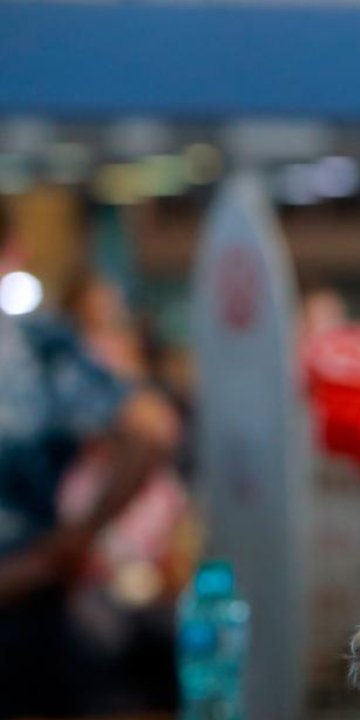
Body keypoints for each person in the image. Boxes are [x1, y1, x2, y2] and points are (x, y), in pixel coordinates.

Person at [0, 202, 180, 716]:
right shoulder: (33, 346)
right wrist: (74, 539)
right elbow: (154, 428)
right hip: (26, 604)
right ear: (14, 251)